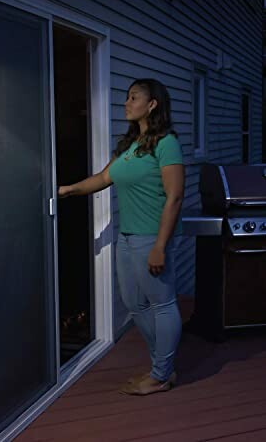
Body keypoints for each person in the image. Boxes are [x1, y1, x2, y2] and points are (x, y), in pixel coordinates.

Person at [58, 78, 184, 396]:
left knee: (163, 304)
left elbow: (175, 197)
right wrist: (67, 190)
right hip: (127, 238)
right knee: (134, 304)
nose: (126, 103)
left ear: (152, 104)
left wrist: (159, 245)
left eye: (133, 98)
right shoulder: (130, 145)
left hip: (151, 238)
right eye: (127, 98)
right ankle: (162, 368)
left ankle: (160, 374)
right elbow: (103, 177)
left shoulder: (166, 143)